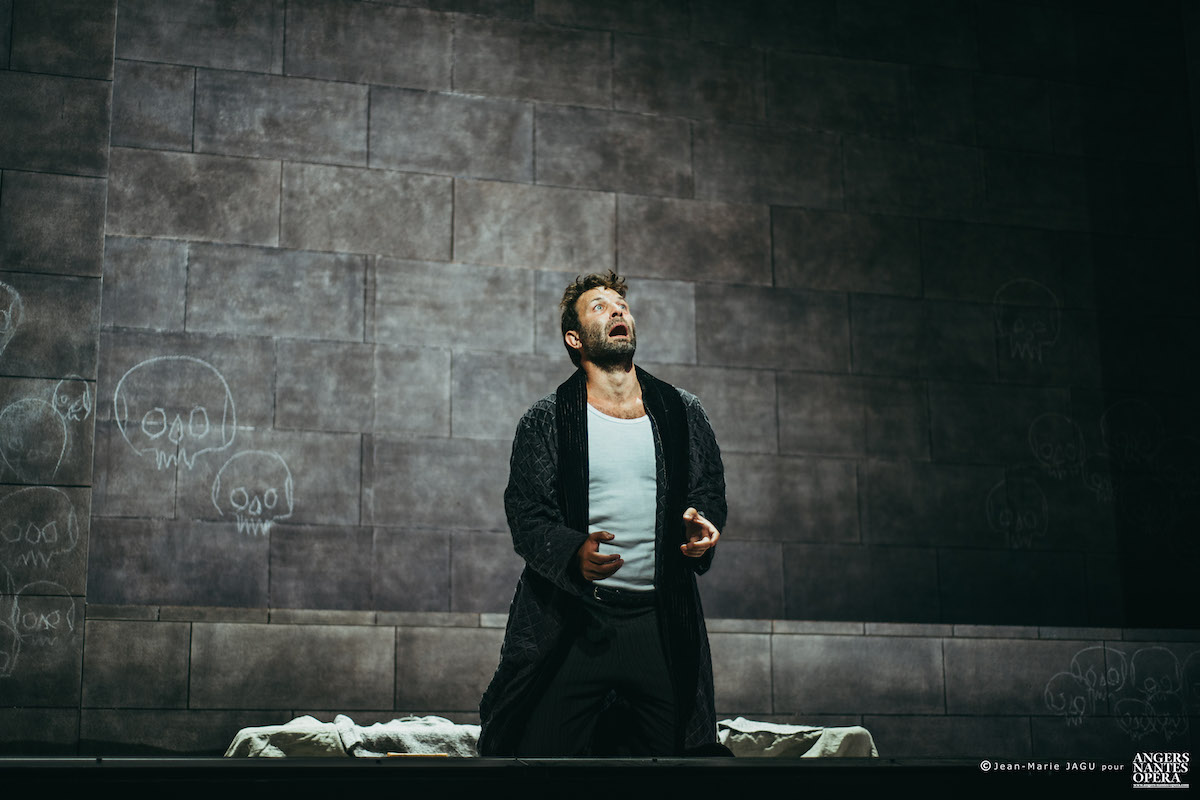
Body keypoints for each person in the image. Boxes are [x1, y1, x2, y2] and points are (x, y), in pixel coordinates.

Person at [478, 270, 727, 757]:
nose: (617, 310)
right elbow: (527, 515)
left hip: (658, 621)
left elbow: (708, 490)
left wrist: (703, 528)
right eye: (600, 306)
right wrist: (573, 552)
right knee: (536, 757)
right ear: (574, 338)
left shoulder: (681, 410)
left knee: (677, 761)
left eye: (622, 306)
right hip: (575, 621)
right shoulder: (546, 419)